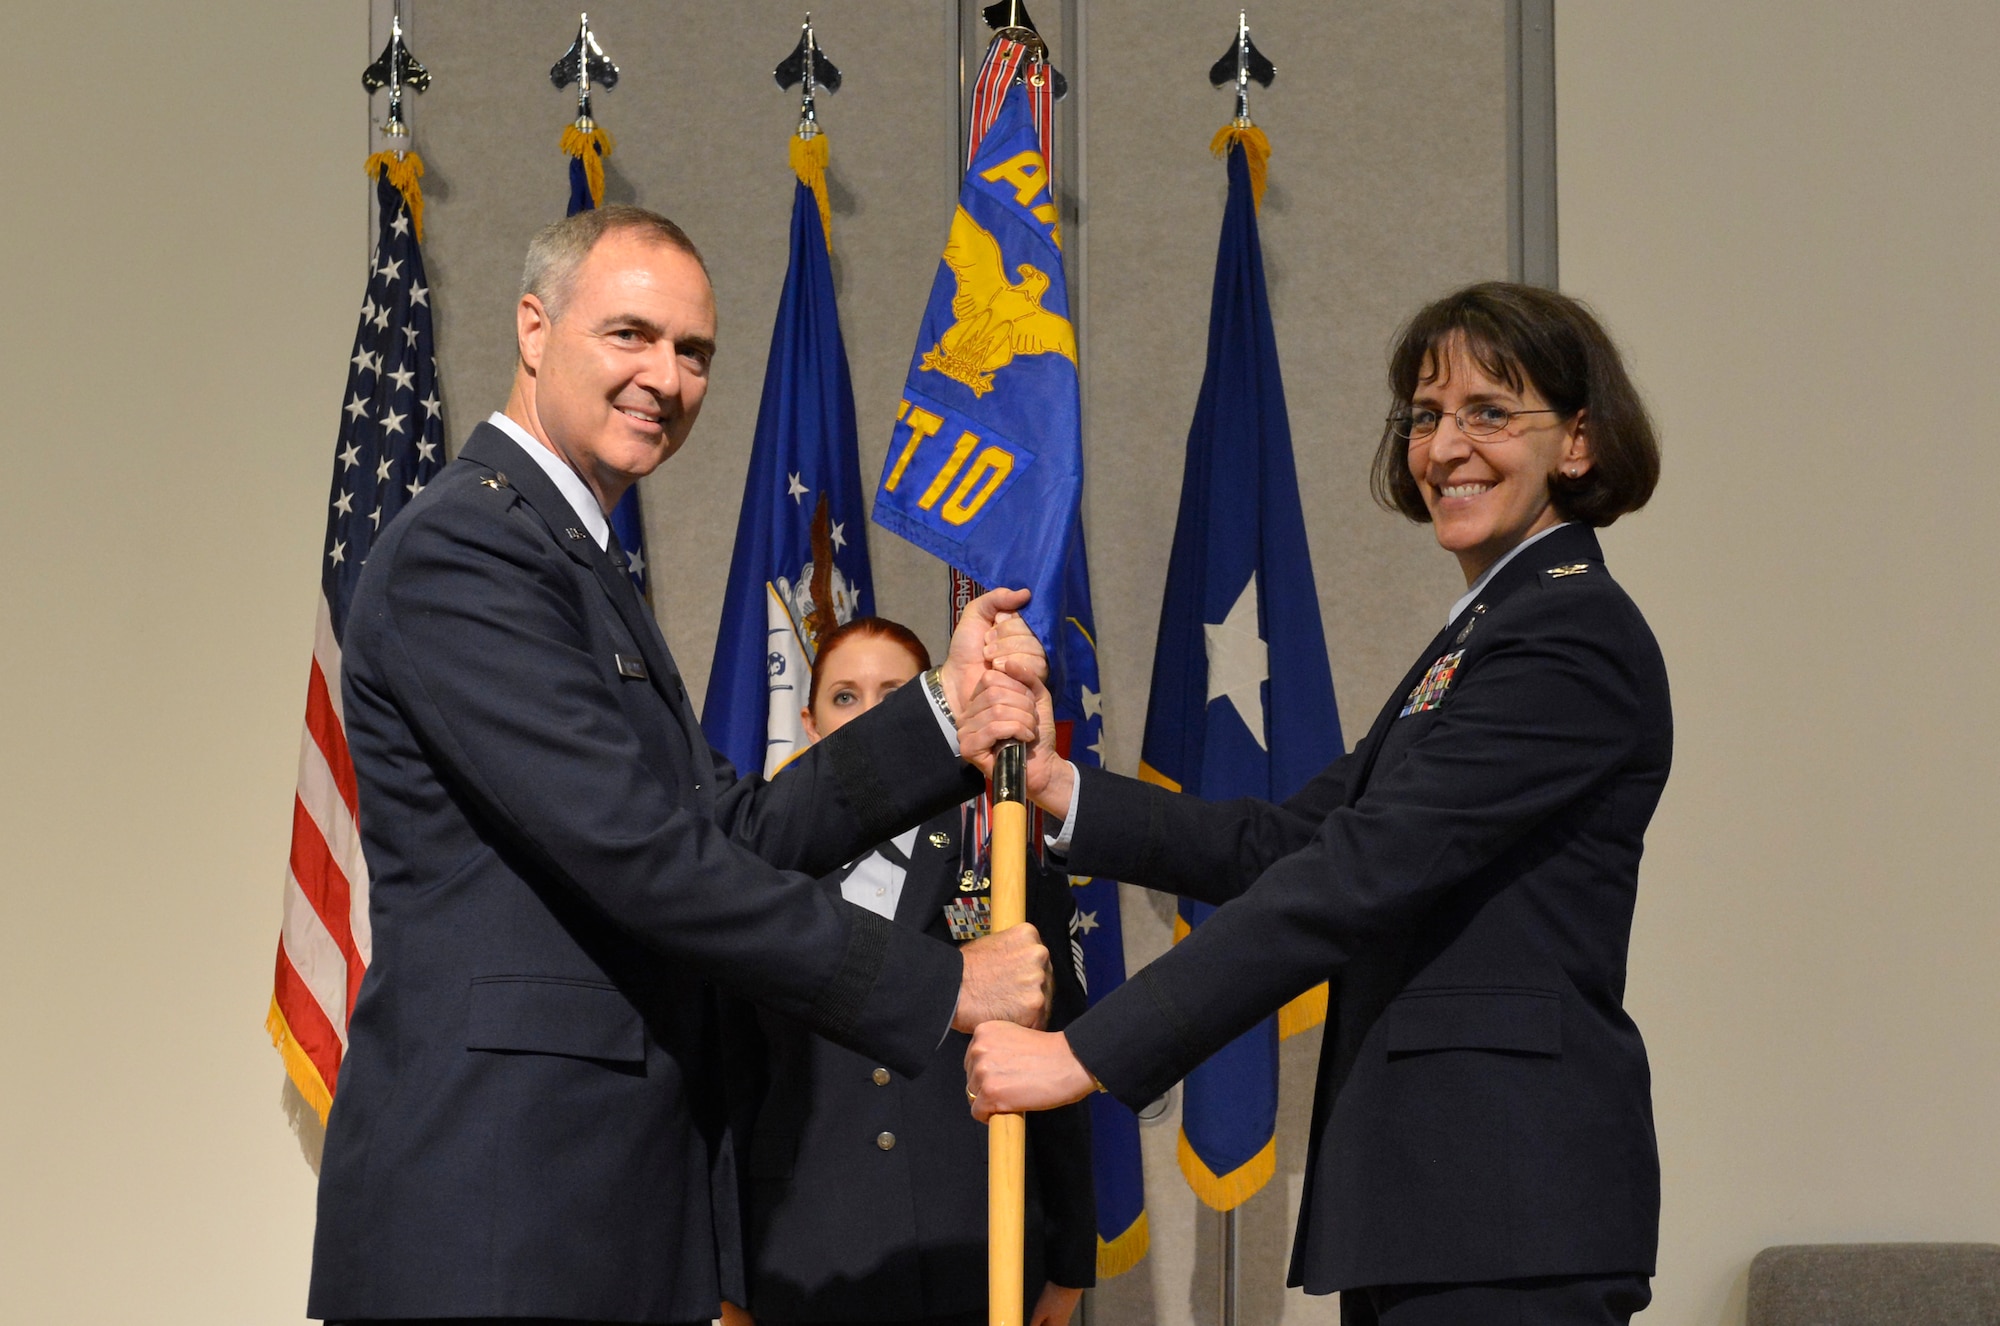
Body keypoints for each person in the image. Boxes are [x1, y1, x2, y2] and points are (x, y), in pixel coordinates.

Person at [307, 204, 1053, 1326]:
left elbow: (728, 831)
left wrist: (940, 715)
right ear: (532, 327)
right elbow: (642, 859)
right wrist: (941, 986)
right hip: (499, 1212)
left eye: (693, 351)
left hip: (594, 1205)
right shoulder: (465, 549)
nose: (665, 375)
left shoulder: (575, 560)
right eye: (630, 335)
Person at [968, 282, 1670, 1325]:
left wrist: (1081, 1055)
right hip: (1436, 1208)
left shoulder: (1568, 636)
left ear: (1576, 440)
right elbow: (1290, 838)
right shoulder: (1488, 631)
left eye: (1488, 412)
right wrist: (1062, 789)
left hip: (1504, 1213)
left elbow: (1351, 877)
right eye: (1426, 416)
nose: (1445, 447)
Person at [725, 616, 1094, 1326]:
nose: (867, 715)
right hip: (805, 1253)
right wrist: (725, 1276)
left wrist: (1071, 1260)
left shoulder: (1001, 861)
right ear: (807, 722)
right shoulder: (754, 875)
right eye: (844, 698)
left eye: (893, 697)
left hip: (977, 1240)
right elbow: (731, 1081)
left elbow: (1059, 1060)